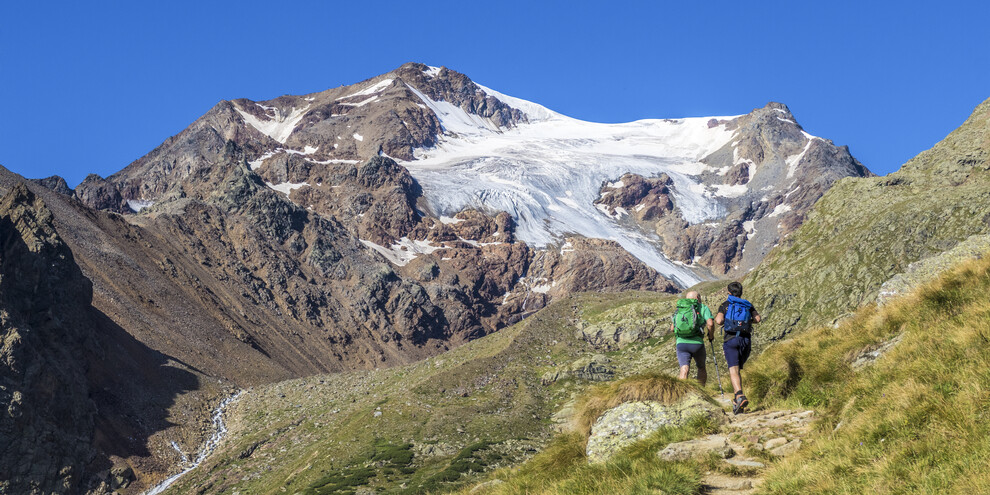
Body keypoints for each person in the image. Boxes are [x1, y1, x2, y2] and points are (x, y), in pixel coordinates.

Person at [715, 282, 761, 414]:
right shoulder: (747, 304)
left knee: (733, 370)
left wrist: (729, 321)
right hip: (745, 340)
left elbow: (719, 321)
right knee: (738, 368)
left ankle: (740, 395)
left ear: (729, 292)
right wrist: (745, 322)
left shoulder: (725, 305)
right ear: (741, 292)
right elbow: (757, 319)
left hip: (731, 340)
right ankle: (736, 400)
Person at [670, 290, 715, 386]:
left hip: (681, 343)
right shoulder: (702, 307)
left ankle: (681, 393)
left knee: (684, 368)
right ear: (698, 298)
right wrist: (710, 336)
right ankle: (700, 392)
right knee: (701, 367)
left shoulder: (680, 308)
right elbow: (710, 323)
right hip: (697, 343)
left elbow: (672, 328)